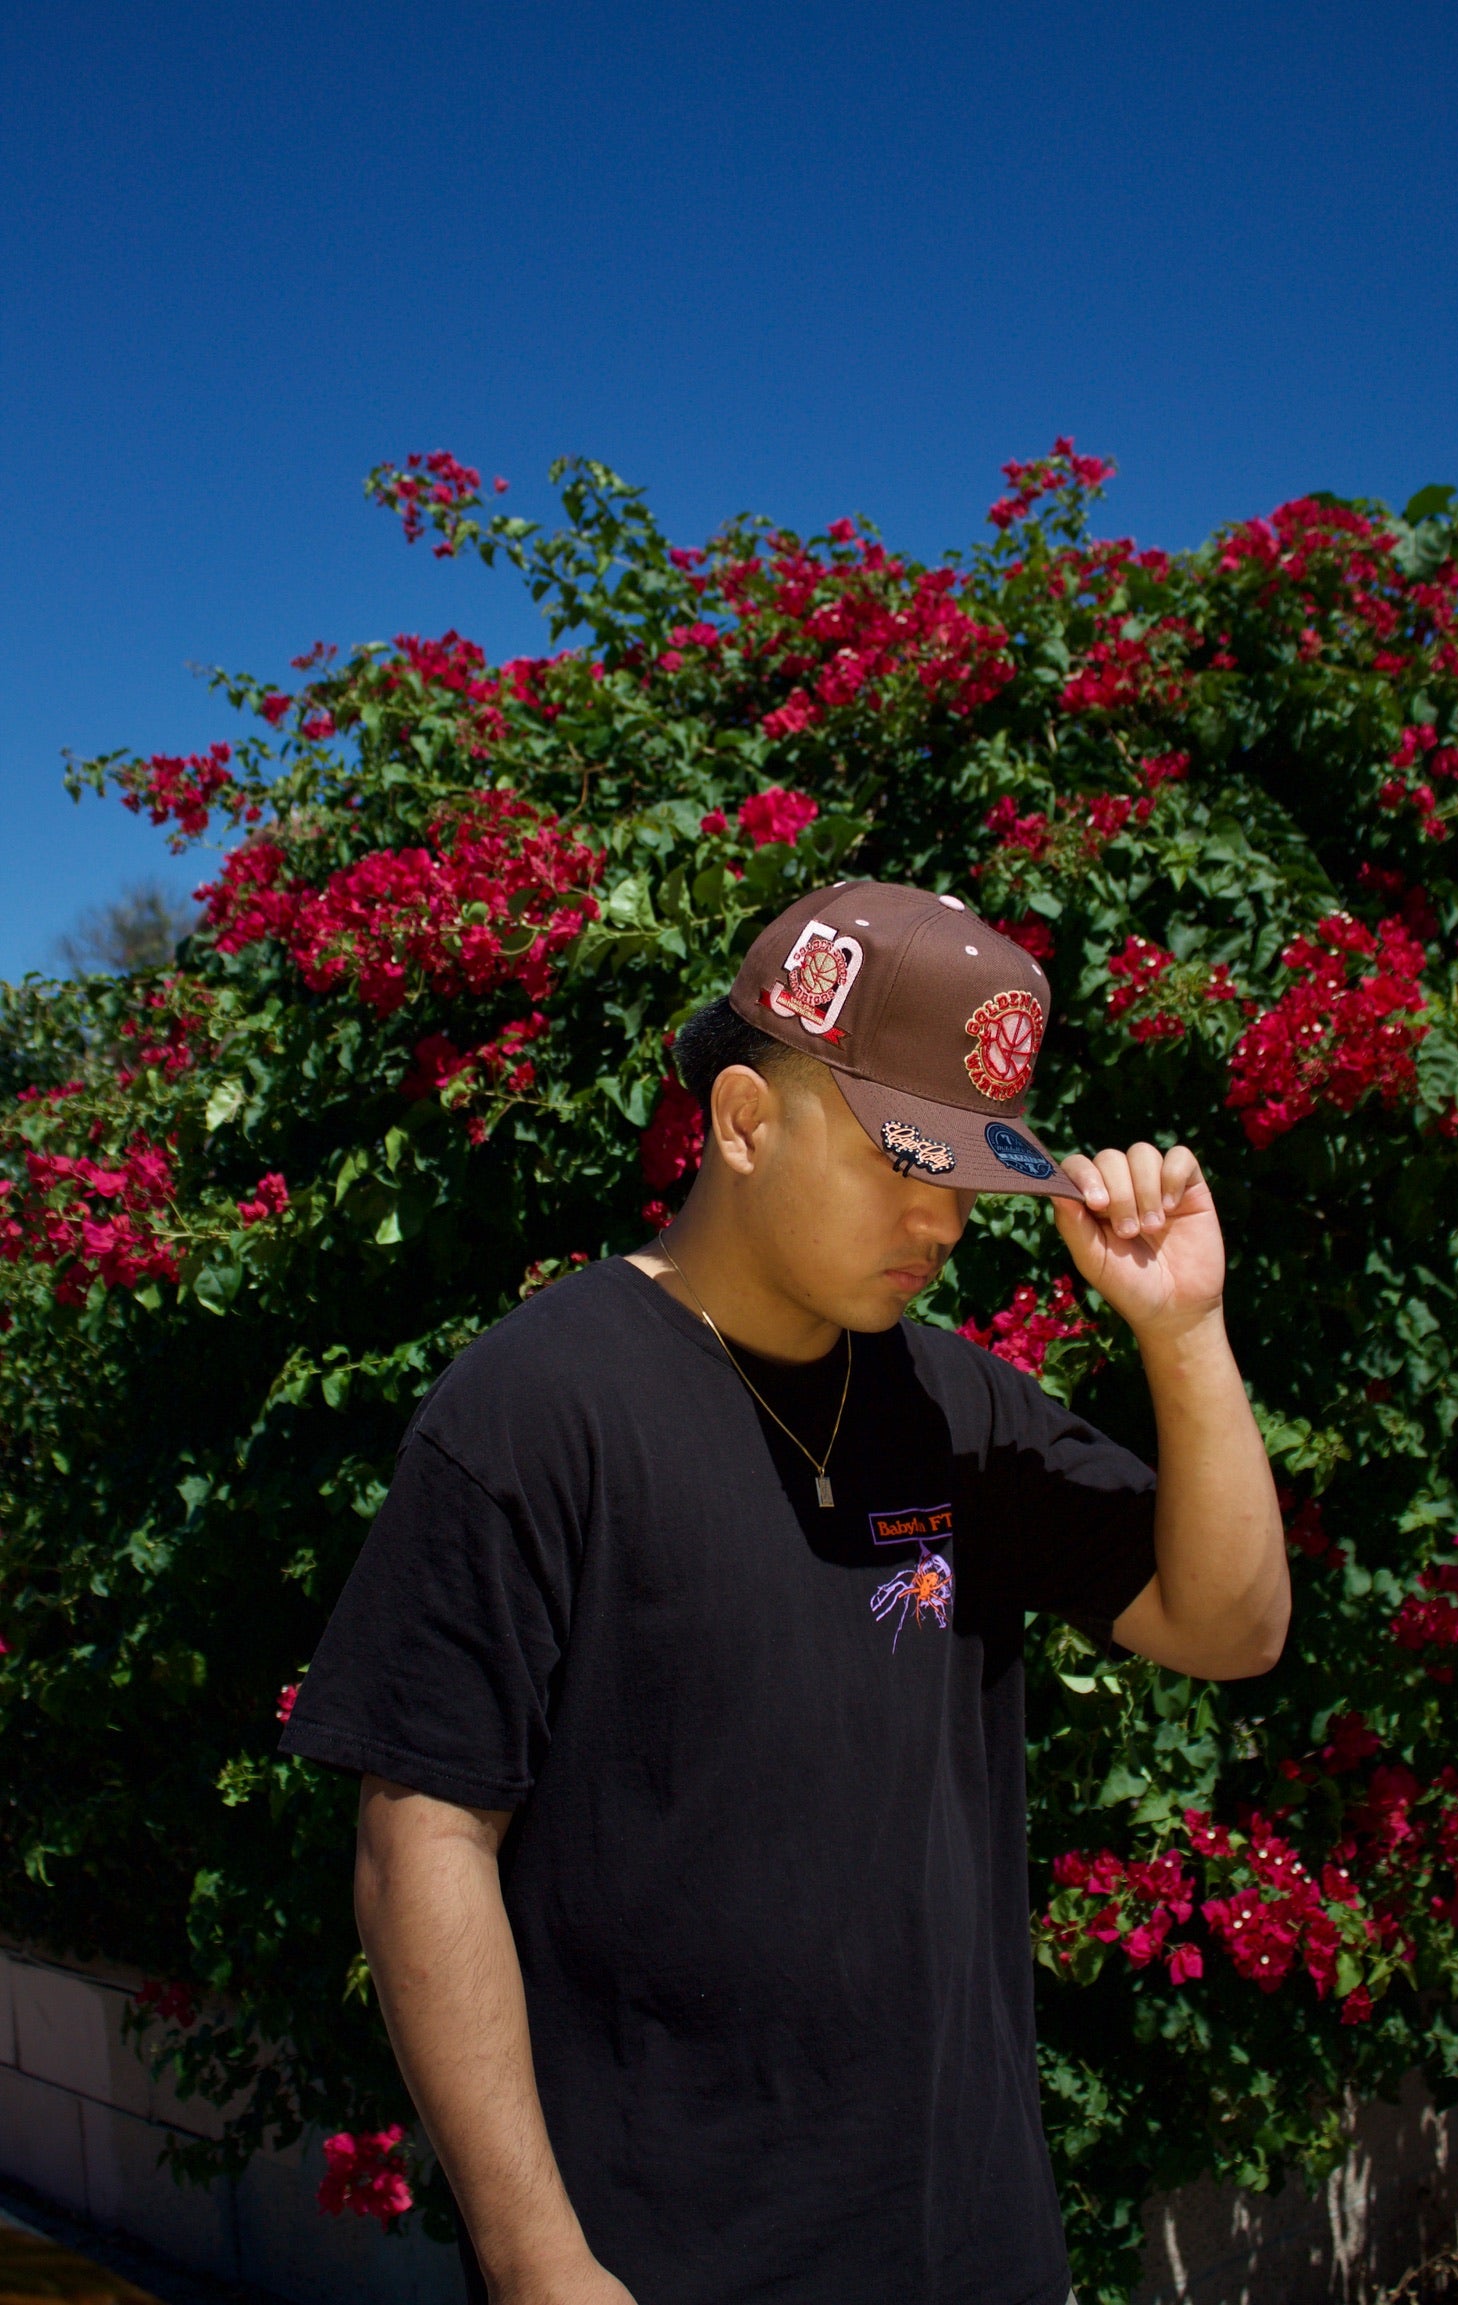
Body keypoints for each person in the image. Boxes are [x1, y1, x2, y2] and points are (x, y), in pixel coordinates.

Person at [280, 879, 1289, 2305]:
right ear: (746, 1120)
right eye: (904, 1162)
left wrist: (1183, 1332)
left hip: (972, 2247)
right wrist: (536, 2262)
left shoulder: (955, 1407)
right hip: (666, 2263)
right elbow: (421, 1838)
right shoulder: (537, 1406)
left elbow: (1231, 1627)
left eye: (964, 1174)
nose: (940, 1218)